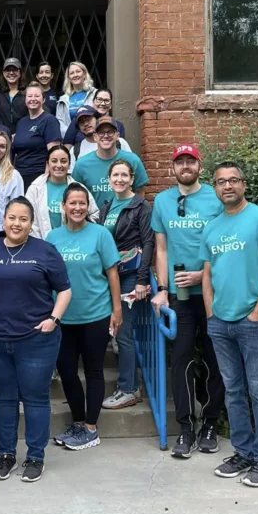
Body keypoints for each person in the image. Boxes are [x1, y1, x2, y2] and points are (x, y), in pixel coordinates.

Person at [202, 161, 258, 488]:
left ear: (244, 185)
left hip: (253, 322)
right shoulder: (211, 227)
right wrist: (210, 313)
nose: (227, 186)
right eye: (221, 182)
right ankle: (242, 451)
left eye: (233, 180)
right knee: (233, 391)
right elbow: (208, 273)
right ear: (215, 188)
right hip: (220, 323)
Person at [0, 197, 72, 482]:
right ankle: (6, 455)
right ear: (3, 220)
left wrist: (54, 319)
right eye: (12, 217)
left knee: (35, 398)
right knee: (4, 399)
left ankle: (35, 456)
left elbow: (65, 290)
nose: (17, 223)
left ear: (31, 223)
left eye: (23, 219)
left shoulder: (45, 251)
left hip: (36, 339)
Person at [151, 144, 225, 457]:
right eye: (179, 162)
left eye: (190, 161)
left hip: (212, 294)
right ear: (173, 168)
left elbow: (224, 243)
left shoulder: (215, 198)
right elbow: (161, 248)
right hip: (179, 297)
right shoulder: (162, 201)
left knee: (213, 359)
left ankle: (210, 424)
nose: (185, 166)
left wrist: (200, 277)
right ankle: (185, 427)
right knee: (180, 359)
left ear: (198, 165)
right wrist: (163, 288)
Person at [46, 183, 122, 450]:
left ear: (87, 207)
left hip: (96, 314)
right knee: (66, 371)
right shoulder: (52, 237)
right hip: (63, 318)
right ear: (63, 207)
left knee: (93, 370)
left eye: (82, 203)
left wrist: (117, 310)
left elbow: (112, 274)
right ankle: (78, 423)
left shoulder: (100, 234)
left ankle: (91, 428)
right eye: (72, 203)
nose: (77, 208)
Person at [100, 161, 154, 409]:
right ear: (109, 179)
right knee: (119, 331)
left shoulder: (141, 206)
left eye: (124, 175)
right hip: (111, 275)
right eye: (115, 175)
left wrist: (143, 279)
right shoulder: (107, 206)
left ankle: (128, 389)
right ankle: (128, 385)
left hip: (131, 275)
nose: (120, 179)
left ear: (132, 179)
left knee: (125, 333)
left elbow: (148, 242)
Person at [72, 116, 149, 210]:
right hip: (94, 221)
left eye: (110, 132)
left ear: (117, 136)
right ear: (95, 136)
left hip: (126, 221)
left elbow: (140, 190)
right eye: (101, 132)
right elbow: (75, 194)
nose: (105, 135)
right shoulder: (81, 164)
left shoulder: (132, 160)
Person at [26, 143, 98, 238]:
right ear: (47, 164)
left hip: (75, 247)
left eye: (63, 161)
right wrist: (40, 245)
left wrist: (82, 235)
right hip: (43, 246)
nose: (59, 165)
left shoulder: (79, 189)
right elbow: (29, 219)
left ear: (69, 165)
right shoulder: (35, 188)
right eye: (54, 161)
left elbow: (95, 214)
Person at [12, 82, 62, 189]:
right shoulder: (21, 122)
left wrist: (46, 178)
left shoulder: (49, 120)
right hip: (19, 176)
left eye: (37, 96)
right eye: (29, 96)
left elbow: (54, 153)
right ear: (25, 100)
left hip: (39, 176)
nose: (33, 99)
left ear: (43, 99)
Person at [56, 61, 97, 132]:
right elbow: (60, 123)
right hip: (71, 139)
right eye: (71, 73)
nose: (75, 75)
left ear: (84, 74)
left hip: (92, 137)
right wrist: (70, 136)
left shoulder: (95, 94)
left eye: (78, 71)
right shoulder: (63, 99)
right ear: (69, 78)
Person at [0, 57, 28, 131]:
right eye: (8, 70)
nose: (11, 73)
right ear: (3, 73)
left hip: (23, 134)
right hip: (1, 136)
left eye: (15, 70)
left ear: (20, 73)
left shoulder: (27, 93)